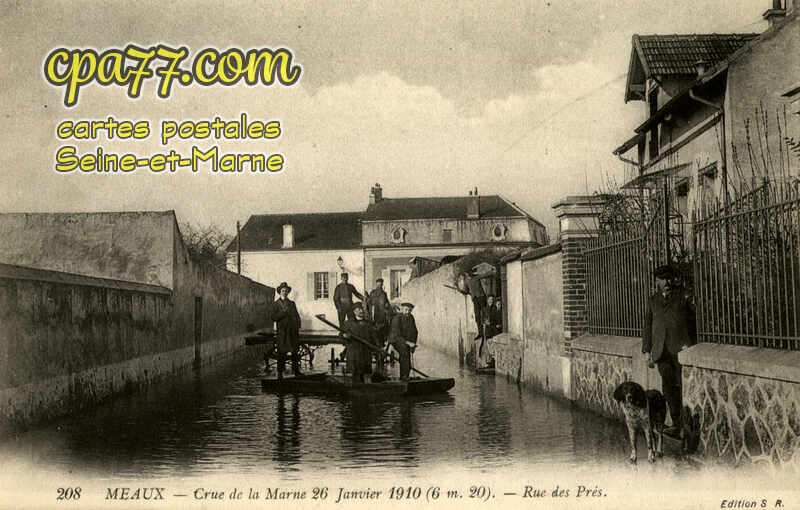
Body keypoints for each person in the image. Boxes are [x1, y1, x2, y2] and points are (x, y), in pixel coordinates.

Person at [642, 264, 696, 436]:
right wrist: (647, 351)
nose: (666, 282)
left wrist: (690, 344)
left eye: (668, 279)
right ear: (657, 281)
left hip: (680, 350)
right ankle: (676, 424)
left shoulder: (683, 297)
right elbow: (648, 326)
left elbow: (692, 323)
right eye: (662, 279)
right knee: (668, 388)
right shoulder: (653, 300)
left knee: (681, 386)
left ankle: (685, 426)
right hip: (661, 351)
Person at [271, 282, 302, 379]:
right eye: (283, 291)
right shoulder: (276, 304)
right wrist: (283, 313)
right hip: (282, 332)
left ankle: (296, 372)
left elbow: (296, 315)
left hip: (292, 332)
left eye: (286, 291)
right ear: (279, 292)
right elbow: (273, 317)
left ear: (288, 292)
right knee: (281, 353)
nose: (284, 292)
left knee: (294, 352)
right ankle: (280, 373)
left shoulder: (292, 303)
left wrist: (298, 325)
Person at [341, 302, 375, 383]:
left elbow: (374, 337)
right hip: (354, 353)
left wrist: (378, 347)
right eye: (359, 309)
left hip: (365, 353)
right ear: (354, 311)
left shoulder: (369, 323)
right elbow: (341, 335)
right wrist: (344, 336)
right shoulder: (348, 323)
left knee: (365, 374)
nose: (361, 311)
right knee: (354, 375)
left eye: (362, 309)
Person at [366, 278, 392, 378]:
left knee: (381, 336)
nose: (379, 285)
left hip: (382, 318)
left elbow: (387, 304)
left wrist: (388, 308)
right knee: (374, 335)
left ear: (382, 285)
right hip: (374, 317)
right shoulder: (372, 293)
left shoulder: (384, 294)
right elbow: (368, 304)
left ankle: (380, 353)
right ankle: (376, 353)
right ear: (376, 284)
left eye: (381, 284)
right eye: (378, 284)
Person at [389, 302, 418, 381]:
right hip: (396, 340)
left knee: (407, 355)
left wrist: (413, 344)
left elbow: (415, 331)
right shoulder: (397, 318)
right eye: (406, 310)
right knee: (404, 352)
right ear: (402, 309)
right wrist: (408, 343)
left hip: (406, 341)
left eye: (409, 310)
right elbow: (397, 335)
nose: (408, 312)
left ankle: (406, 375)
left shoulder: (411, 318)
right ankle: (403, 376)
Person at [466, 270, 487, 340]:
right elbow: (467, 291)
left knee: (484, 314)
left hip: (481, 297)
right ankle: (480, 333)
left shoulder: (477, 277)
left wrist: (492, 271)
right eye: (468, 274)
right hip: (475, 299)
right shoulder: (468, 281)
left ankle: (486, 331)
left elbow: (485, 275)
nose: (469, 275)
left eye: (470, 273)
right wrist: (463, 291)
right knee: (477, 316)